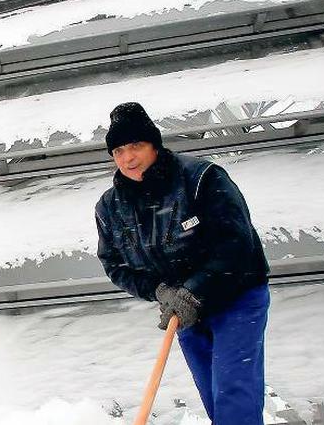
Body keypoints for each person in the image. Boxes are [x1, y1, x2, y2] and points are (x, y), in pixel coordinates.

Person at [94, 102, 271, 424]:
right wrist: (160, 291)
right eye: (118, 151)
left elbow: (236, 243)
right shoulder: (110, 206)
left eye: (136, 146)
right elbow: (114, 263)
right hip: (183, 311)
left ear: (155, 145)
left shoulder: (202, 178)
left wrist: (194, 290)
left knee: (233, 389)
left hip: (237, 297)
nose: (128, 158)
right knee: (212, 394)